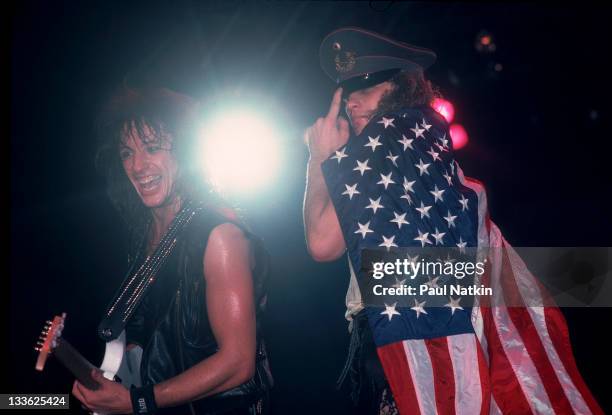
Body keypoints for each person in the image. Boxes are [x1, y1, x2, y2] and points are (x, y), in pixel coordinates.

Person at [304, 27, 602, 414]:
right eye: (348, 98)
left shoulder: (389, 144)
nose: (353, 106)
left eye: (364, 91)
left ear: (399, 88)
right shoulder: (432, 157)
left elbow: (320, 243)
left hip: (403, 341)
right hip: (427, 338)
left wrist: (318, 159)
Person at [72, 87, 272, 414]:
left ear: (186, 152)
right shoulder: (146, 234)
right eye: (126, 153)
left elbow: (238, 362)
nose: (137, 166)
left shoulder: (219, 235)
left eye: (152, 148)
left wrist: (137, 402)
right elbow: (153, 340)